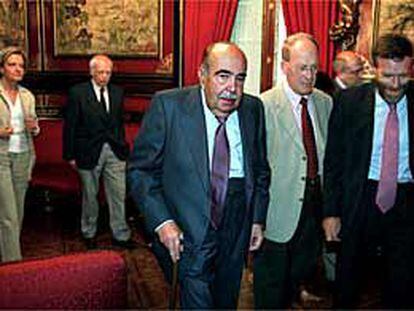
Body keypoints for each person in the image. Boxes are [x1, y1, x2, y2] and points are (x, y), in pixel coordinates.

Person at [128, 41, 270, 309]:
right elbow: (140, 171)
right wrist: (163, 221)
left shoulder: (253, 109)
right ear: (202, 74)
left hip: (236, 227)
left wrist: (257, 219)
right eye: (223, 76)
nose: (232, 89)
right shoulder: (168, 106)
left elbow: (261, 170)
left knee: (226, 301)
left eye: (240, 79)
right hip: (187, 231)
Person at [323, 34, 414, 308]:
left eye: (403, 76)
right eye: (387, 76)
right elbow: (334, 161)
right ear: (374, 69)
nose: (395, 84)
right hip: (361, 197)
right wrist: (331, 212)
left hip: (407, 202)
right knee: (348, 280)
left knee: (402, 283)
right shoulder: (349, 102)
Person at [254, 32, 333, 309]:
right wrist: (256, 219)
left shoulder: (325, 102)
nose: (309, 76)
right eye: (302, 68)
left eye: (314, 68)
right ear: (284, 66)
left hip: (313, 211)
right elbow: (256, 168)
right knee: (269, 290)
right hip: (277, 213)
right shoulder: (263, 106)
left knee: (296, 281)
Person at [63, 54, 136, 250]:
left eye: (108, 72)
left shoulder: (118, 92)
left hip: (115, 151)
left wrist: (122, 145)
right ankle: (89, 232)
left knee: (118, 194)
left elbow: (119, 123)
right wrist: (69, 155)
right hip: (87, 152)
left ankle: (120, 234)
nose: (104, 76)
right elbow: (70, 126)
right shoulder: (77, 93)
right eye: (101, 72)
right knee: (90, 195)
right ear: (92, 72)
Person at [0, 46, 39, 262]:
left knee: (18, 213)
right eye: (12, 64)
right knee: (9, 215)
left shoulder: (27, 95)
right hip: (1, 158)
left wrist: (34, 127)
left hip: (24, 156)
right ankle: (13, 265)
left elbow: (34, 127)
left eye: (21, 66)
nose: (18, 69)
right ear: (2, 68)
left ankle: (5, 252)